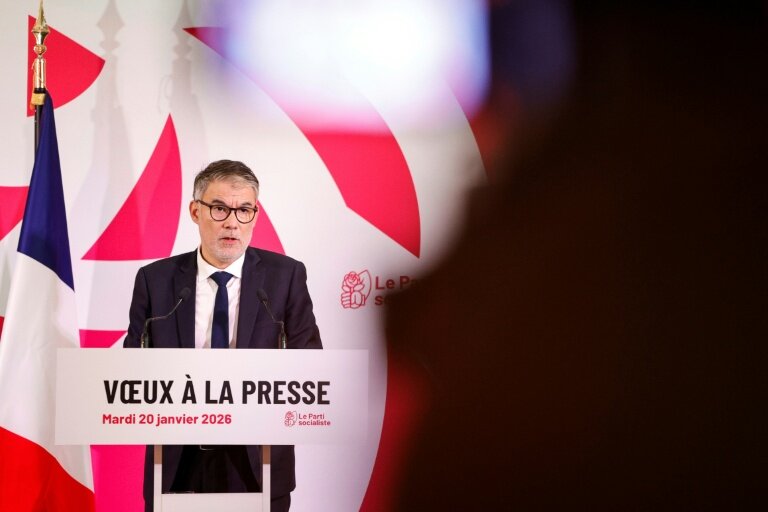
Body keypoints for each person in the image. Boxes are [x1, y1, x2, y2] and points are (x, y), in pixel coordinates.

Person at [124, 159, 322, 512]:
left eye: (244, 209)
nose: (232, 221)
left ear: (255, 216)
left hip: (255, 461)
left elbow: (310, 364)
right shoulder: (155, 280)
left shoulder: (285, 277)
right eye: (219, 208)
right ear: (195, 211)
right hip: (175, 462)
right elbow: (132, 368)